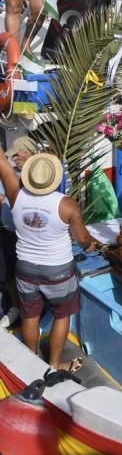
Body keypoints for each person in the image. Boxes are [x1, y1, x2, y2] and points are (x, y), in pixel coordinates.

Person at [0, 150, 100, 372]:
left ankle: (30, 361)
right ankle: (54, 364)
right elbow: (83, 239)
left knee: (30, 315)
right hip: (58, 271)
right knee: (62, 315)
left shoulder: (15, 193)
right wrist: (92, 246)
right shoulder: (66, 204)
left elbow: (1, 163)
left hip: (25, 268)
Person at [0, 136, 38, 328]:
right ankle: (16, 308)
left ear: (27, 152)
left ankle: (26, 311)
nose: (14, 158)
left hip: (27, 236)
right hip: (8, 232)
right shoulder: (12, 173)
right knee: (8, 272)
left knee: (25, 276)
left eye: (16, 154)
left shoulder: (39, 175)